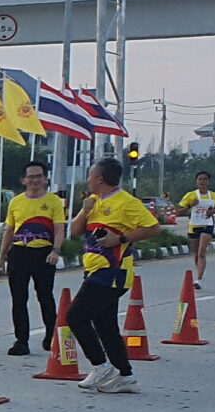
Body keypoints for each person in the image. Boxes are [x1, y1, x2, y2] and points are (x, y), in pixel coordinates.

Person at [66, 158, 162, 394]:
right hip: (94, 269)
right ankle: (126, 377)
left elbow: (154, 227)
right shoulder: (93, 202)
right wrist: (84, 210)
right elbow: (75, 232)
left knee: (76, 316)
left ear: (99, 178)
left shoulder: (126, 202)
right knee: (105, 324)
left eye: (90, 175)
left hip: (112, 272)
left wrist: (119, 239)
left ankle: (101, 366)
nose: (87, 179)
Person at [2, 160, 66, 356]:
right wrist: (1, 256)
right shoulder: (16, 202)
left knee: (45, 296)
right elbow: (10, 230)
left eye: (39, 176)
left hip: (44, 254)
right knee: (19, 299)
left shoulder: (54, 201)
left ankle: (51, 335)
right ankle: (21, 340)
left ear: (45, 179)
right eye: (31, 177)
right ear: (24, 180)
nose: (35, 180)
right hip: (19, 253)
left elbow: (59, 229)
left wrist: (56, 251)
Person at [178, 171, 215, 280]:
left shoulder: (213, 195)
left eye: (205, 179)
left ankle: (199, 279)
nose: (202, 181)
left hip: (207, 225)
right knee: (196, 254)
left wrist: (212, 212)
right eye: (200, 179)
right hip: (194, 225)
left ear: (208, 182)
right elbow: (178, 212)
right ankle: (199, 271)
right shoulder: (190, 195)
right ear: (196, 181)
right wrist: (190, 205)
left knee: (201, 253)